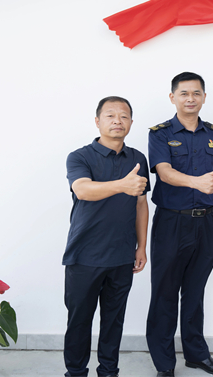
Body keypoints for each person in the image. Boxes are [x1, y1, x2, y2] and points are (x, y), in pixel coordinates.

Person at [146, 72, 213, 377]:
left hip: (206, 223)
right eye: (184, 93)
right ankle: (164, 364)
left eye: (196, 93)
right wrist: (197, 183)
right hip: (172, 222)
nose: (190, 99)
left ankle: (196, 355)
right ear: (173, 98)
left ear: (204, 97)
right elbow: (164, 172)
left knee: (195, 293)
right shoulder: (160, 134)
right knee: (165, 294)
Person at [63, 96, 150, 377]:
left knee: (114, 321)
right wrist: (122, 185)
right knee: (79, 322)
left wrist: (141, 247)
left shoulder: (137, 159)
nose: (117, 121)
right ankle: (76, 373)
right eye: (110, 115)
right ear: (97, 121)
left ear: (131, 123)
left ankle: (109, 372)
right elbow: (83, 190)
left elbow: (141, 204)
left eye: (123, 116)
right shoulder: (80, 156)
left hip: (122, 255)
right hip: (84, 255)